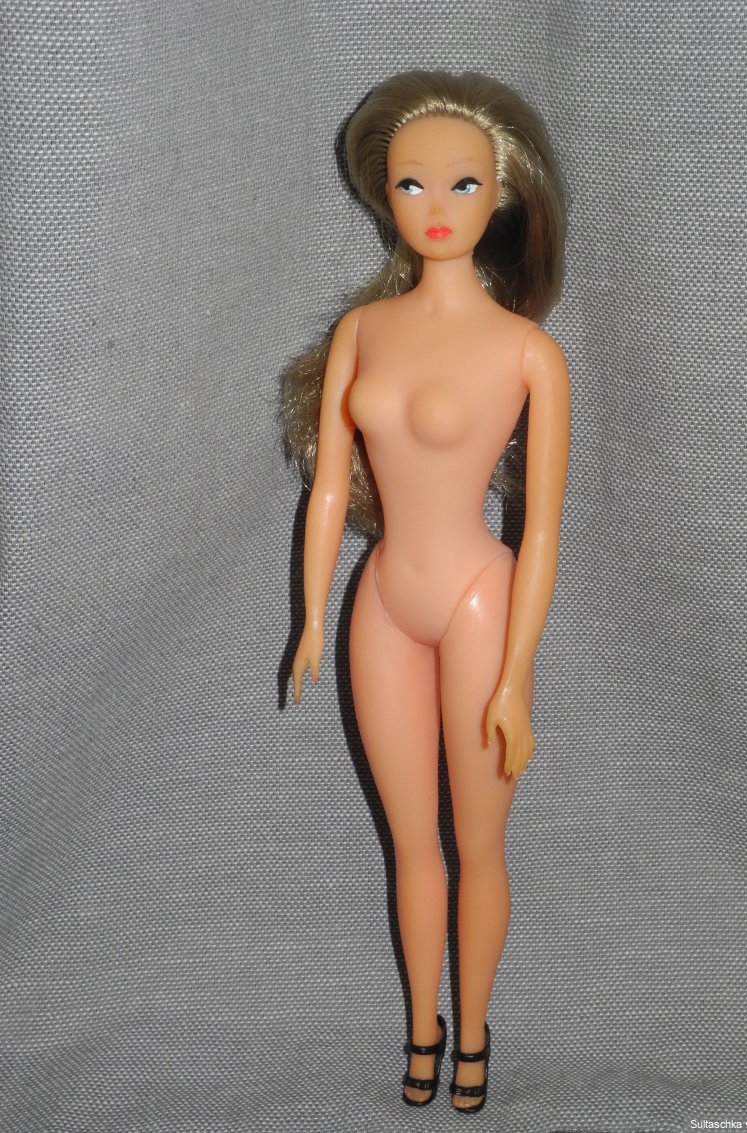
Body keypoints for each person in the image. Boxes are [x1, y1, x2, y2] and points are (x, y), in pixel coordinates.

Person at [280, 70, 571, 1113]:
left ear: (504, 193)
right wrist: (312, 616)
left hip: (480, 603)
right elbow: (329, 489)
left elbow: (540, 529)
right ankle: (422, 1028)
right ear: (384, 194)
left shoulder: (529, 352)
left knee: (477, 842)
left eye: (461, 183)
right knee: (411, 842)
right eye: (410, 184)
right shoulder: (362, 333)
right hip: (381, 603)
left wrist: (517, 676)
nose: (435, 206)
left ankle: (475, 1029)